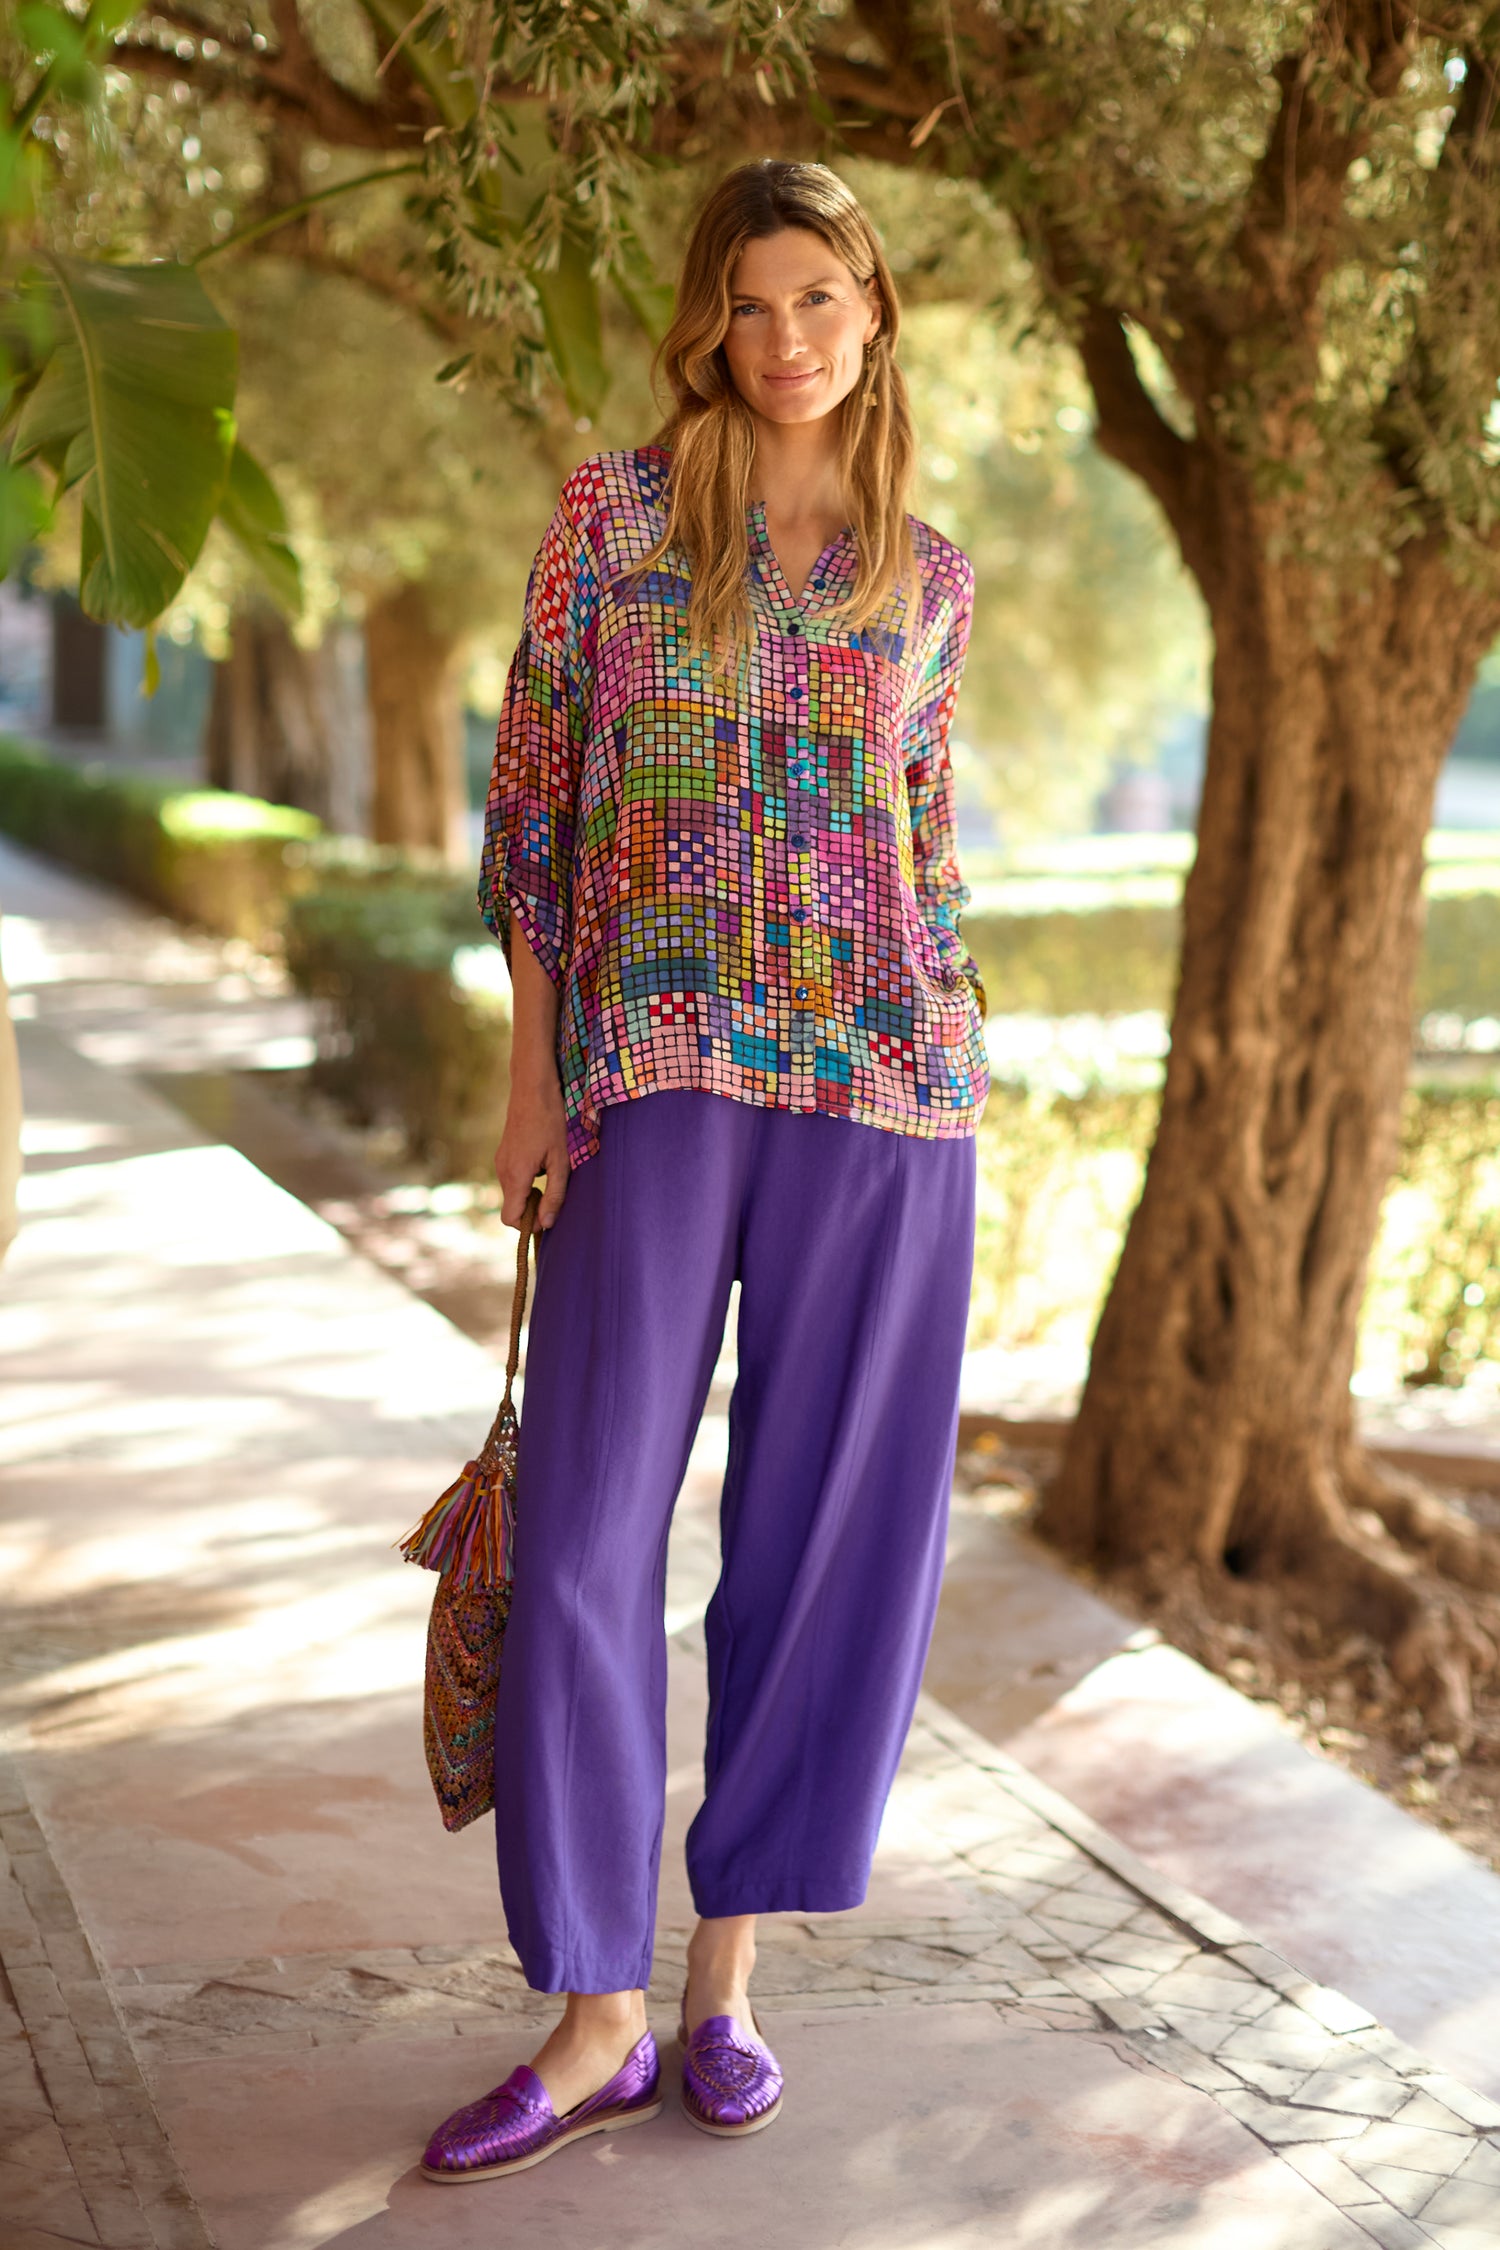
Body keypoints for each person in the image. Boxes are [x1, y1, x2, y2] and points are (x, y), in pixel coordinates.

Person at [421, 156, 990, 2184]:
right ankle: (589, 2019)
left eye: (819, 300)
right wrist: (531, 1074)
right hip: (651, 1074)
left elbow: (923, 848)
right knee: (583, 1538)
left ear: (874, 311)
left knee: (815, 1550)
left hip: (882, 1092)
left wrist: (955, 1054)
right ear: (709, 322)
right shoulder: (616, 520)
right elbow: (535, 803)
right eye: (751, 305)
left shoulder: (929, 581)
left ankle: (721, 1987)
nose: (785, 341)